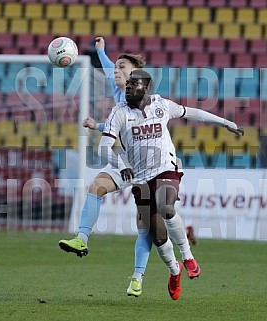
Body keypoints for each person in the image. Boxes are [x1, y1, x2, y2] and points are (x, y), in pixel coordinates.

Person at [59, 38, 200, 298]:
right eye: (114, 70)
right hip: (123, 162)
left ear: (135, 74)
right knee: (96, 186)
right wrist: (100, 52)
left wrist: (103, 54)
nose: (115, 72)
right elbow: (118, 127)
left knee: (147, 226)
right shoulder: (121, 97)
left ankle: (139, 276)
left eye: (121, 69)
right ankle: (82, 238)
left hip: (150, 167)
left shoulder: (146, 99)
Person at [98, 70, 244, 299]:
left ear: (146, 88)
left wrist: (225, 122)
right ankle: (174, 270)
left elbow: (193, 113)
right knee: (157, 236)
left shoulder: (162, 105)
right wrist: (122, 163)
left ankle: (187, 256)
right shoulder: (119, 112)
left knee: (166, 206)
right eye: (127, 84)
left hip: (166, 168)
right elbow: (104, 147)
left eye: (134, 84)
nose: (128, 87)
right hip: (140, 178)